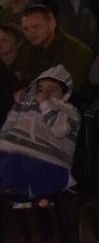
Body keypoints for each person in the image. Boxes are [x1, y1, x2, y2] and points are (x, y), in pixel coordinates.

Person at [0, 65, 80, 199]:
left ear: (64, 94)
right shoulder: (28, 105)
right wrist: (18, 104)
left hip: (49, 164)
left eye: (51, 90)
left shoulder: (69, 111)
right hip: (19, 159)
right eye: (40, 90)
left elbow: (60, 130)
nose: (44, 94)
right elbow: (7, 129)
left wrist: (45, 103)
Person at [15, 5, 94, 98]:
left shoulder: (75, 51)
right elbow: (25, 79)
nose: (30, 34)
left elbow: (71, 90)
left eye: (36, 27)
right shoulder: (29, 49)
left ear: (51, 24)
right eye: (26, 29)